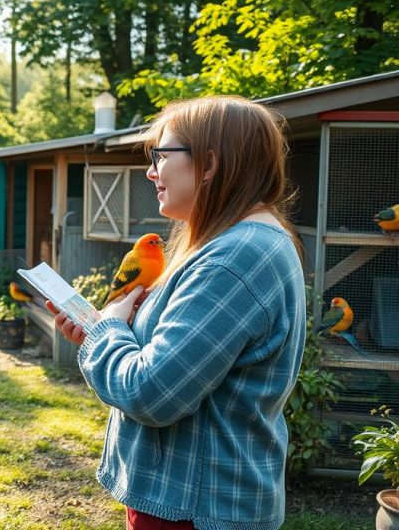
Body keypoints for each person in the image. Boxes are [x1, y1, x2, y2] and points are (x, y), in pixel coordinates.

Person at [49, 96, 305, 530]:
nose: (151, 171)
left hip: (196, 511)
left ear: (209, 163)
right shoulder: (236, 244)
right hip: (192, 501)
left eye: (161, 155)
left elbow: (153, 393)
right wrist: (111, 330)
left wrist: (108, 328)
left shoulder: (233, 258)